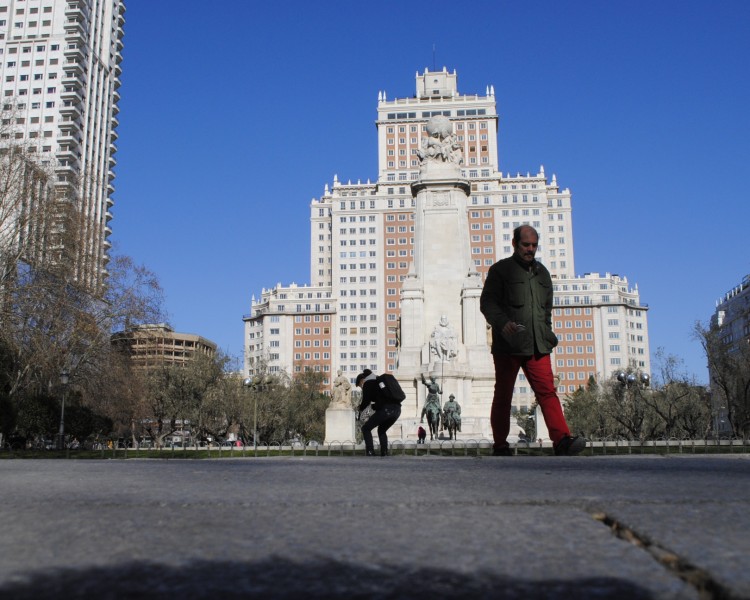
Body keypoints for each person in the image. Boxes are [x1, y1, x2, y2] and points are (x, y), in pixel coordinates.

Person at [480, 225, 586, 457]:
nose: (530, 249)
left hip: (538, 345)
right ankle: (500, 445)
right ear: (515, 244)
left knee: (548, 392)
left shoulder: (543, 274)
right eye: (525, 245)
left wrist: (547, 334)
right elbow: (487, 302)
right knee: (503, 395)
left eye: (534, 245)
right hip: (508, 345)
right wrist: (502, 323)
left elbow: (546, 310)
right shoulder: (500, 270)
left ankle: (562, 440)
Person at [356, 369, 402, 456]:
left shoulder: (368, 383)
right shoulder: (379, 381)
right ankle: (384, 452)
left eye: (359, 385)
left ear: (362, 380)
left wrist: (360, 408)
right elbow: (380, 401)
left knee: (366, 428)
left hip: (386, 410)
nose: (361, 387)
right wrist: (374, 406)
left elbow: (366, 401)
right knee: (381, 429)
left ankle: (370, 451)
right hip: (397, 410)